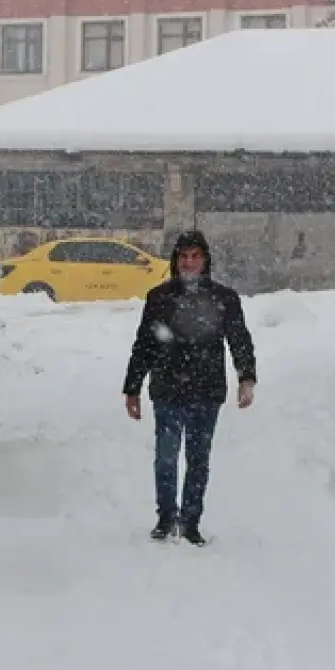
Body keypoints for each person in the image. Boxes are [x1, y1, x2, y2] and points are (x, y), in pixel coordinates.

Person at [123, 230, 257, 545]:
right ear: (175, 260)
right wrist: (132, 387)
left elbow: (239, 340)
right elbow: (144, 345)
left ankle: (191, 521)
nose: (189, 262)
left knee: (198, 459)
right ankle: (166, 518)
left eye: (195, 256)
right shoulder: (159, 298)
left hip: (206, 391)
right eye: (184, 256)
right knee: (166, 458)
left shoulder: (224, 299)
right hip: (167, 389)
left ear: (205, 260)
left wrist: (246, 378)